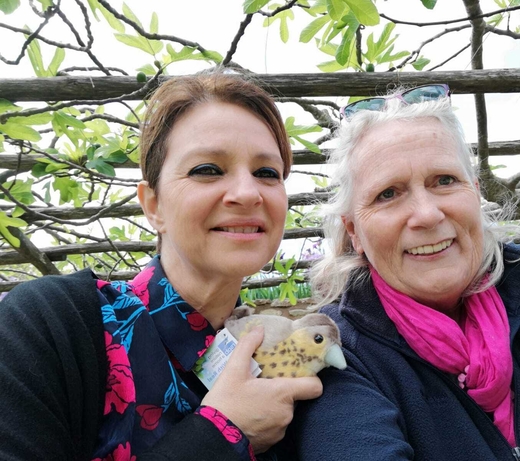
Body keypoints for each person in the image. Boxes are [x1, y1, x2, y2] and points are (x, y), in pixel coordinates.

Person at [0, 72, 323, 461]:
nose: (246, 193)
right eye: (207, 169)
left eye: (267, 173)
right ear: (153, 205)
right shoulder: (52, 323)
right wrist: (222, 431)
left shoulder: (277, 351)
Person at [287, 85, 520, 460]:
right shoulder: (337, 355)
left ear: (474, 193)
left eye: (444, 180)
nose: (427, 214)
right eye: (388, 194)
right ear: (353, 232)